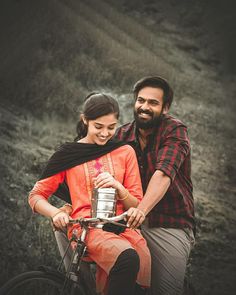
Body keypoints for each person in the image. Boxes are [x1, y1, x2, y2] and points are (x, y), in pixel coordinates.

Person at [28, 93, 151, 295]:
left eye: (111, 128)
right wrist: (55, 213)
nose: (105, 134)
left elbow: (135, 205)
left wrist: (119, 188)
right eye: (98, 127)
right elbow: (36, 195)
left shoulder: (125, 151)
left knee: (137, 265)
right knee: (128, 258)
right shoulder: (68, 155)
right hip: (87, 229)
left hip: (122, 228)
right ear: (85, 120)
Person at [115, 76, 195, 295]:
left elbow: (163, 173)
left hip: (169, 222)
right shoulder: (121, 135)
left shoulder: (175, 131)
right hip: (129, 219)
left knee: (166, 291)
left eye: (153, 103)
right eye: (141, 100)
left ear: (165, 108)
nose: (144, 107)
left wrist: (141, 210)